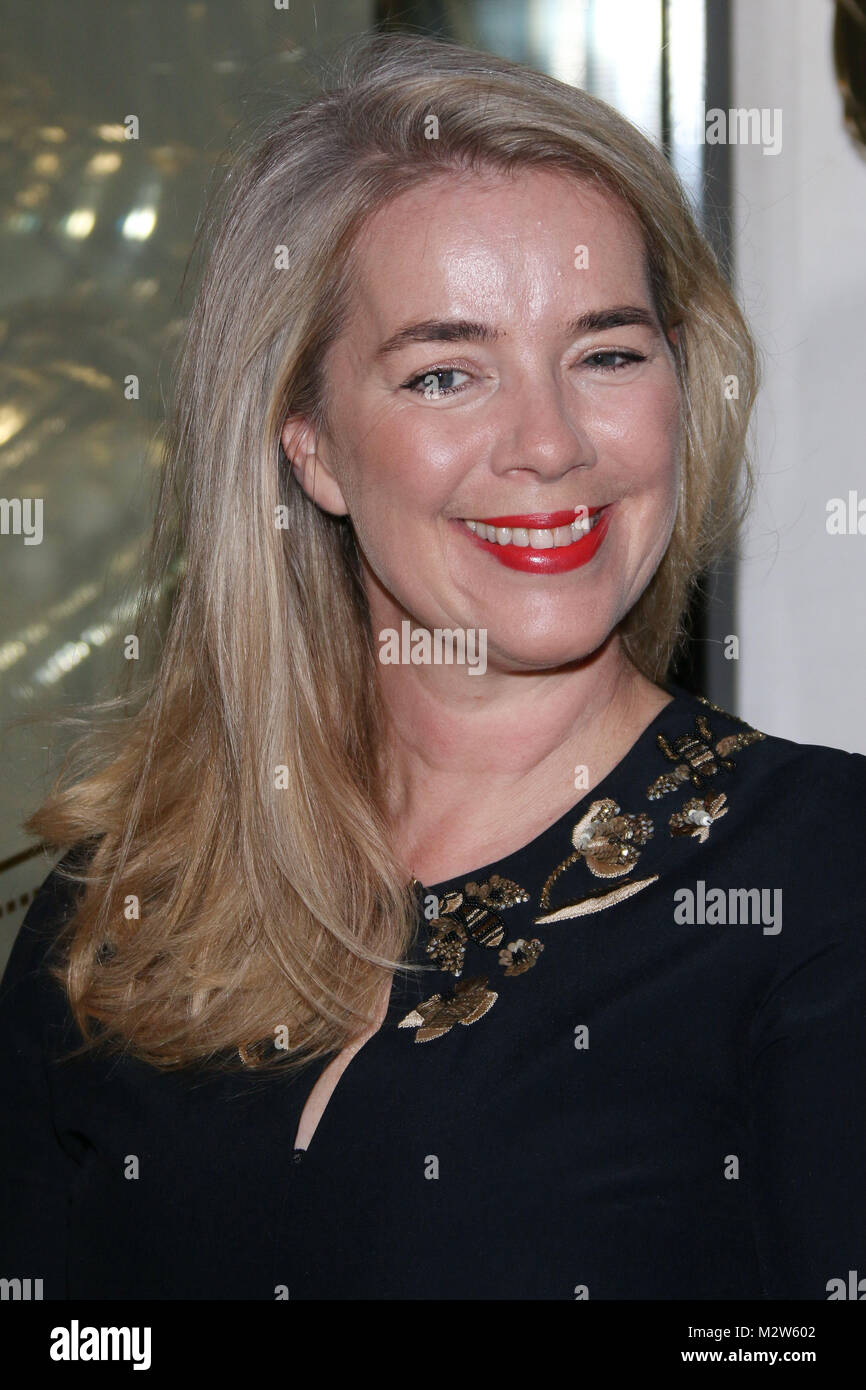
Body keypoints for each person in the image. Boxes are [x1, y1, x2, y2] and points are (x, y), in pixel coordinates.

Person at [1, 31, 864, 1302]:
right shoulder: (123, 903)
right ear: (311, 446)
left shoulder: (820, 881)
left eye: (606, 352)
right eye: (445, 372)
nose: (547, 444)